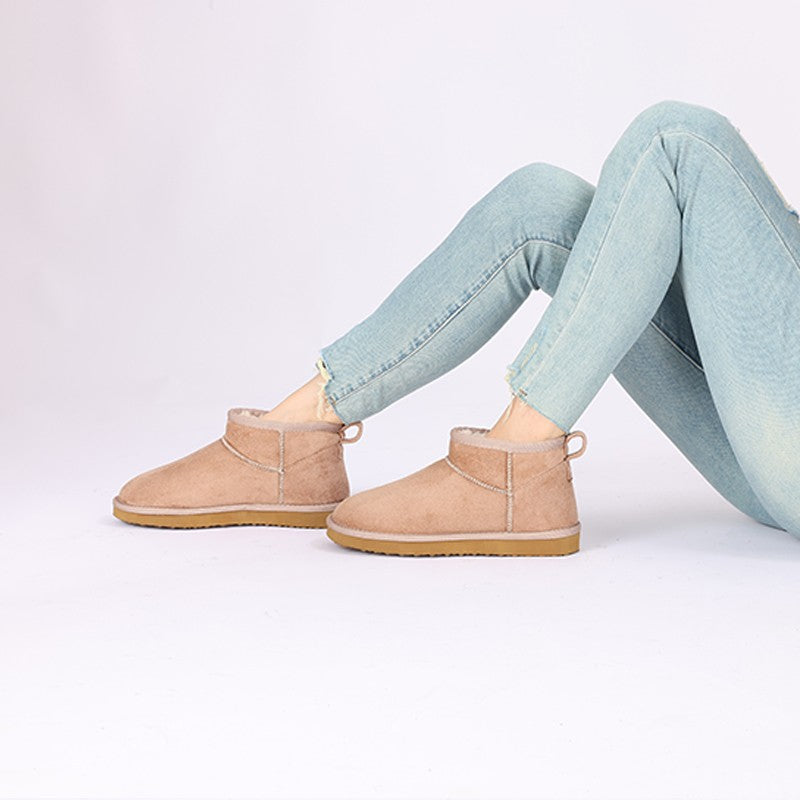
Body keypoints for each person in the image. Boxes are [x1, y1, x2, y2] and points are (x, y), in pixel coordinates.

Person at [112, 99, 800, 557]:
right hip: (765, 445)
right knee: (541, 202)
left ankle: (516, 466)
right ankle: (290, 443)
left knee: (678, 141)